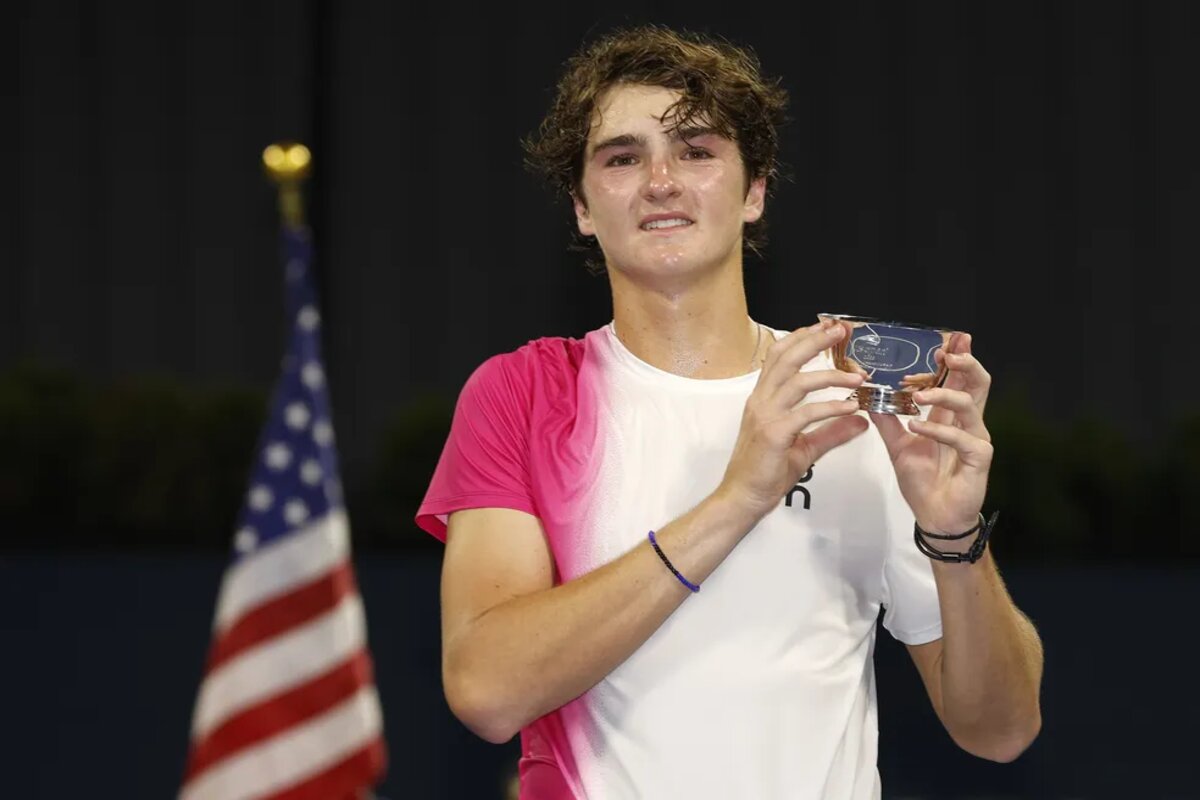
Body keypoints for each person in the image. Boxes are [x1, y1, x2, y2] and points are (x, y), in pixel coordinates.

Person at [416, 24, 1043, 799]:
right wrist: (741, 495)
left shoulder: (858, 399)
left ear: (754, 191)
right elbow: (487, 690)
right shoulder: (524, 393)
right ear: (582, 206)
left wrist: (952, 536)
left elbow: (1001, 729)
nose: (661, 181)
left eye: (696, 151)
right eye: (622, 157)